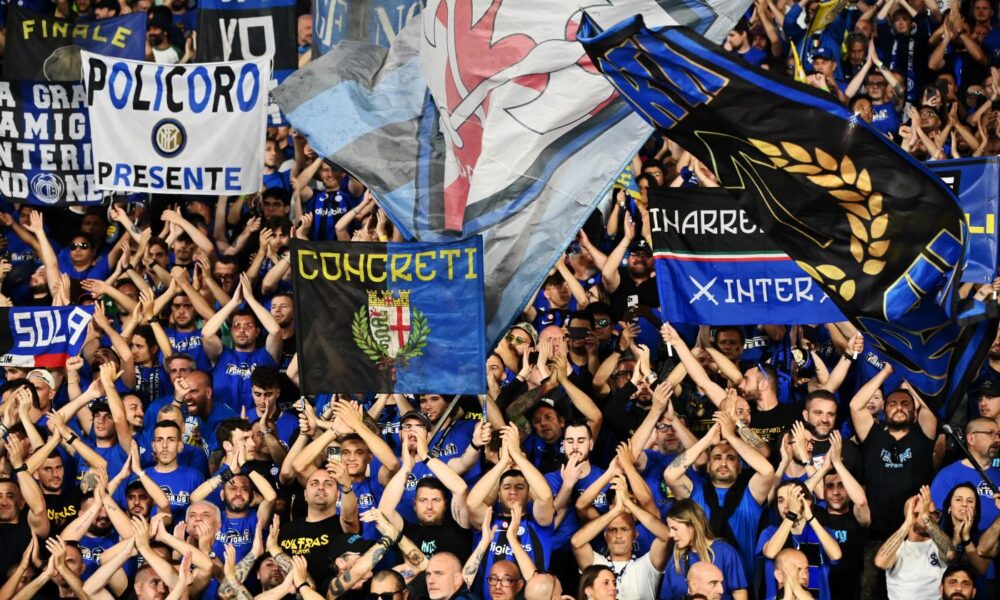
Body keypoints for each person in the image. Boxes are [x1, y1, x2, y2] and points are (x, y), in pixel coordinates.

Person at [659, 499, 747, 600]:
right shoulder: (675, 561)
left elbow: (740, 594)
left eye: (675, 529)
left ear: (693, 525)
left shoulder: (726, 553)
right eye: (670, 529)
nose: (671, 534)